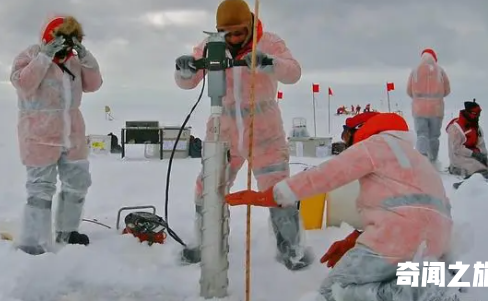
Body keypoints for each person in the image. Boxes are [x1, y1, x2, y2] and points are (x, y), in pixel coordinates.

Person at [224, 112, 461, 301]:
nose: (348, 143)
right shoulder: (417, 158)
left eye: (348, 135)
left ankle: (414, 293)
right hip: (435, 242)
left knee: (333, 291)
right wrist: (357, 236)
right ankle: (428, 284)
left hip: (394, 240)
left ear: (361, 130)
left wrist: (274, 195)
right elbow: (416, 208)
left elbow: (326, 174)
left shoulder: (374, 145)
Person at [173, 0, 312, 270]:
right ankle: (206, 243)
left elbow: (293, 72)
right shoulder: (211, 46)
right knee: (208, 188)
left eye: (238, 32)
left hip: (265, 135)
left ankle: (291, 251)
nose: (234, 38)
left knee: (278, 192)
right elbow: (188, 83)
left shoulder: (269, 42)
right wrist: (184, 69)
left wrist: (269, 63)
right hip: (223, 134)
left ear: (249, 25)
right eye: (227, 33)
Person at [9, 15, 103, 255]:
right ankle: (33, 240)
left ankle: (67, 231)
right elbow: (23, 84)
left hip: (72, 133)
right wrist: (45, 56)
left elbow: (94, 84)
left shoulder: (73, 61)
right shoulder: (29, 56)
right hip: (39, 134)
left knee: (78, 183)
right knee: (40, 188)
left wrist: (84, 55)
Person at [406, 48, 451, 168]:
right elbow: (447, 90)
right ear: (434, 58)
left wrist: (419, 98)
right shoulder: (440, 71)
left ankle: (422, 161)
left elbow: (409, 91)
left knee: (421, 134)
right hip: (436, 109)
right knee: (434, 136)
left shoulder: (415, 71)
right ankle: (433, 161)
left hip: (419, 109)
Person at [446, 99, 488, 177]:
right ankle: (455, 169)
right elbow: (457, 148)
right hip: (458, 156)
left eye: (478, 114)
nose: (477, 116)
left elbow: (480, 143)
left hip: (475, 155)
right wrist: (473, 154)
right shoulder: (455, 128)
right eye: (475, 114)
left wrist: (482, 155)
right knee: (477, 168)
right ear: (468, 113)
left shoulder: (476, 128)